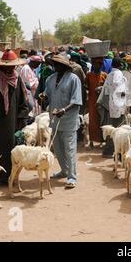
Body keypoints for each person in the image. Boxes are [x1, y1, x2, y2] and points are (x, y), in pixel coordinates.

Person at [0, 50, 30, 185]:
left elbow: (23, 101)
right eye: (7, 66)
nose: (10, 69)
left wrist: (22, 117)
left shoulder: (17, 78)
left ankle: (7, 176)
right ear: (1, 65)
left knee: (10, 149)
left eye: (12, 66)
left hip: (12, 122)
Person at [41, 55, 82, 189]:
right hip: (54, 119)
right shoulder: (50, 79)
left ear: (64, 66)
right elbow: (47, 95)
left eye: (58, 64)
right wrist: (44, 98)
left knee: (69, 149)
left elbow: (76, 101)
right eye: (54, 64)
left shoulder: (73, 79)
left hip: (69, 120)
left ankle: (72, 177)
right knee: (58, 149)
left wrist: (64, 110)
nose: (55, 66)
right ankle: (64, 171)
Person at [97, 58, 127, 157]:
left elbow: (106, 91)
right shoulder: (119, 74)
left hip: (112, 105)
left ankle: (109, 150)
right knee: (119, 128)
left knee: (112, 128)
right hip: (119, 105)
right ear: (120, 65)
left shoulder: (109, 75)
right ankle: (115, 151)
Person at [85, 57, 107, 146]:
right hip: (92, 100)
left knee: (102, 120)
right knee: (92, 120)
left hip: (101, 101)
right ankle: (91, 140)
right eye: (96, 64)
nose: (98, 66)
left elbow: (107, 87)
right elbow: (85, 86)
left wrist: (101, 88)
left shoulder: (104, 75)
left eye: (100, 64)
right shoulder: (89, 75)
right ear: (93, 65)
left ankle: (102, 140)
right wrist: (89, 91)